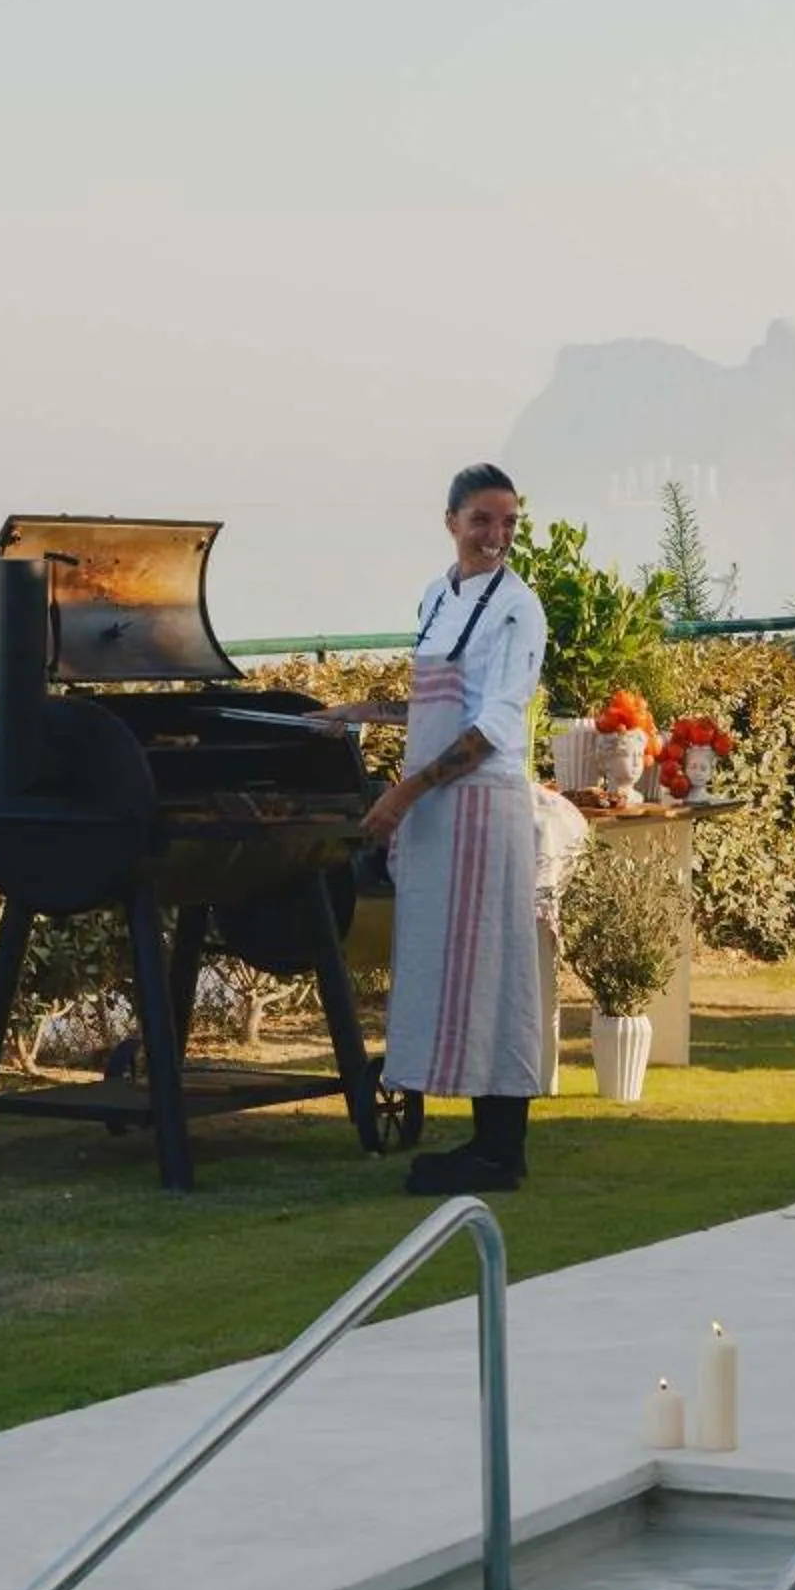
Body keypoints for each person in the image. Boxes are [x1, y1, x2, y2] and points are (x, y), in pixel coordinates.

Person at [336, 462, 554, 1191]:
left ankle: (502, 1147)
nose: (496, 537)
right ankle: (480, 1139)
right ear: (452, 522)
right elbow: (436, 706)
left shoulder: (520, 609)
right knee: (444, 971)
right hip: (437, 809)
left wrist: (403, 795)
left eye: (509, 523)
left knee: (493, 971)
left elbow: (494, 723)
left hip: (483, 807)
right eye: (483, 521)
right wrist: (358, 716)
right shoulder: (436, 597)